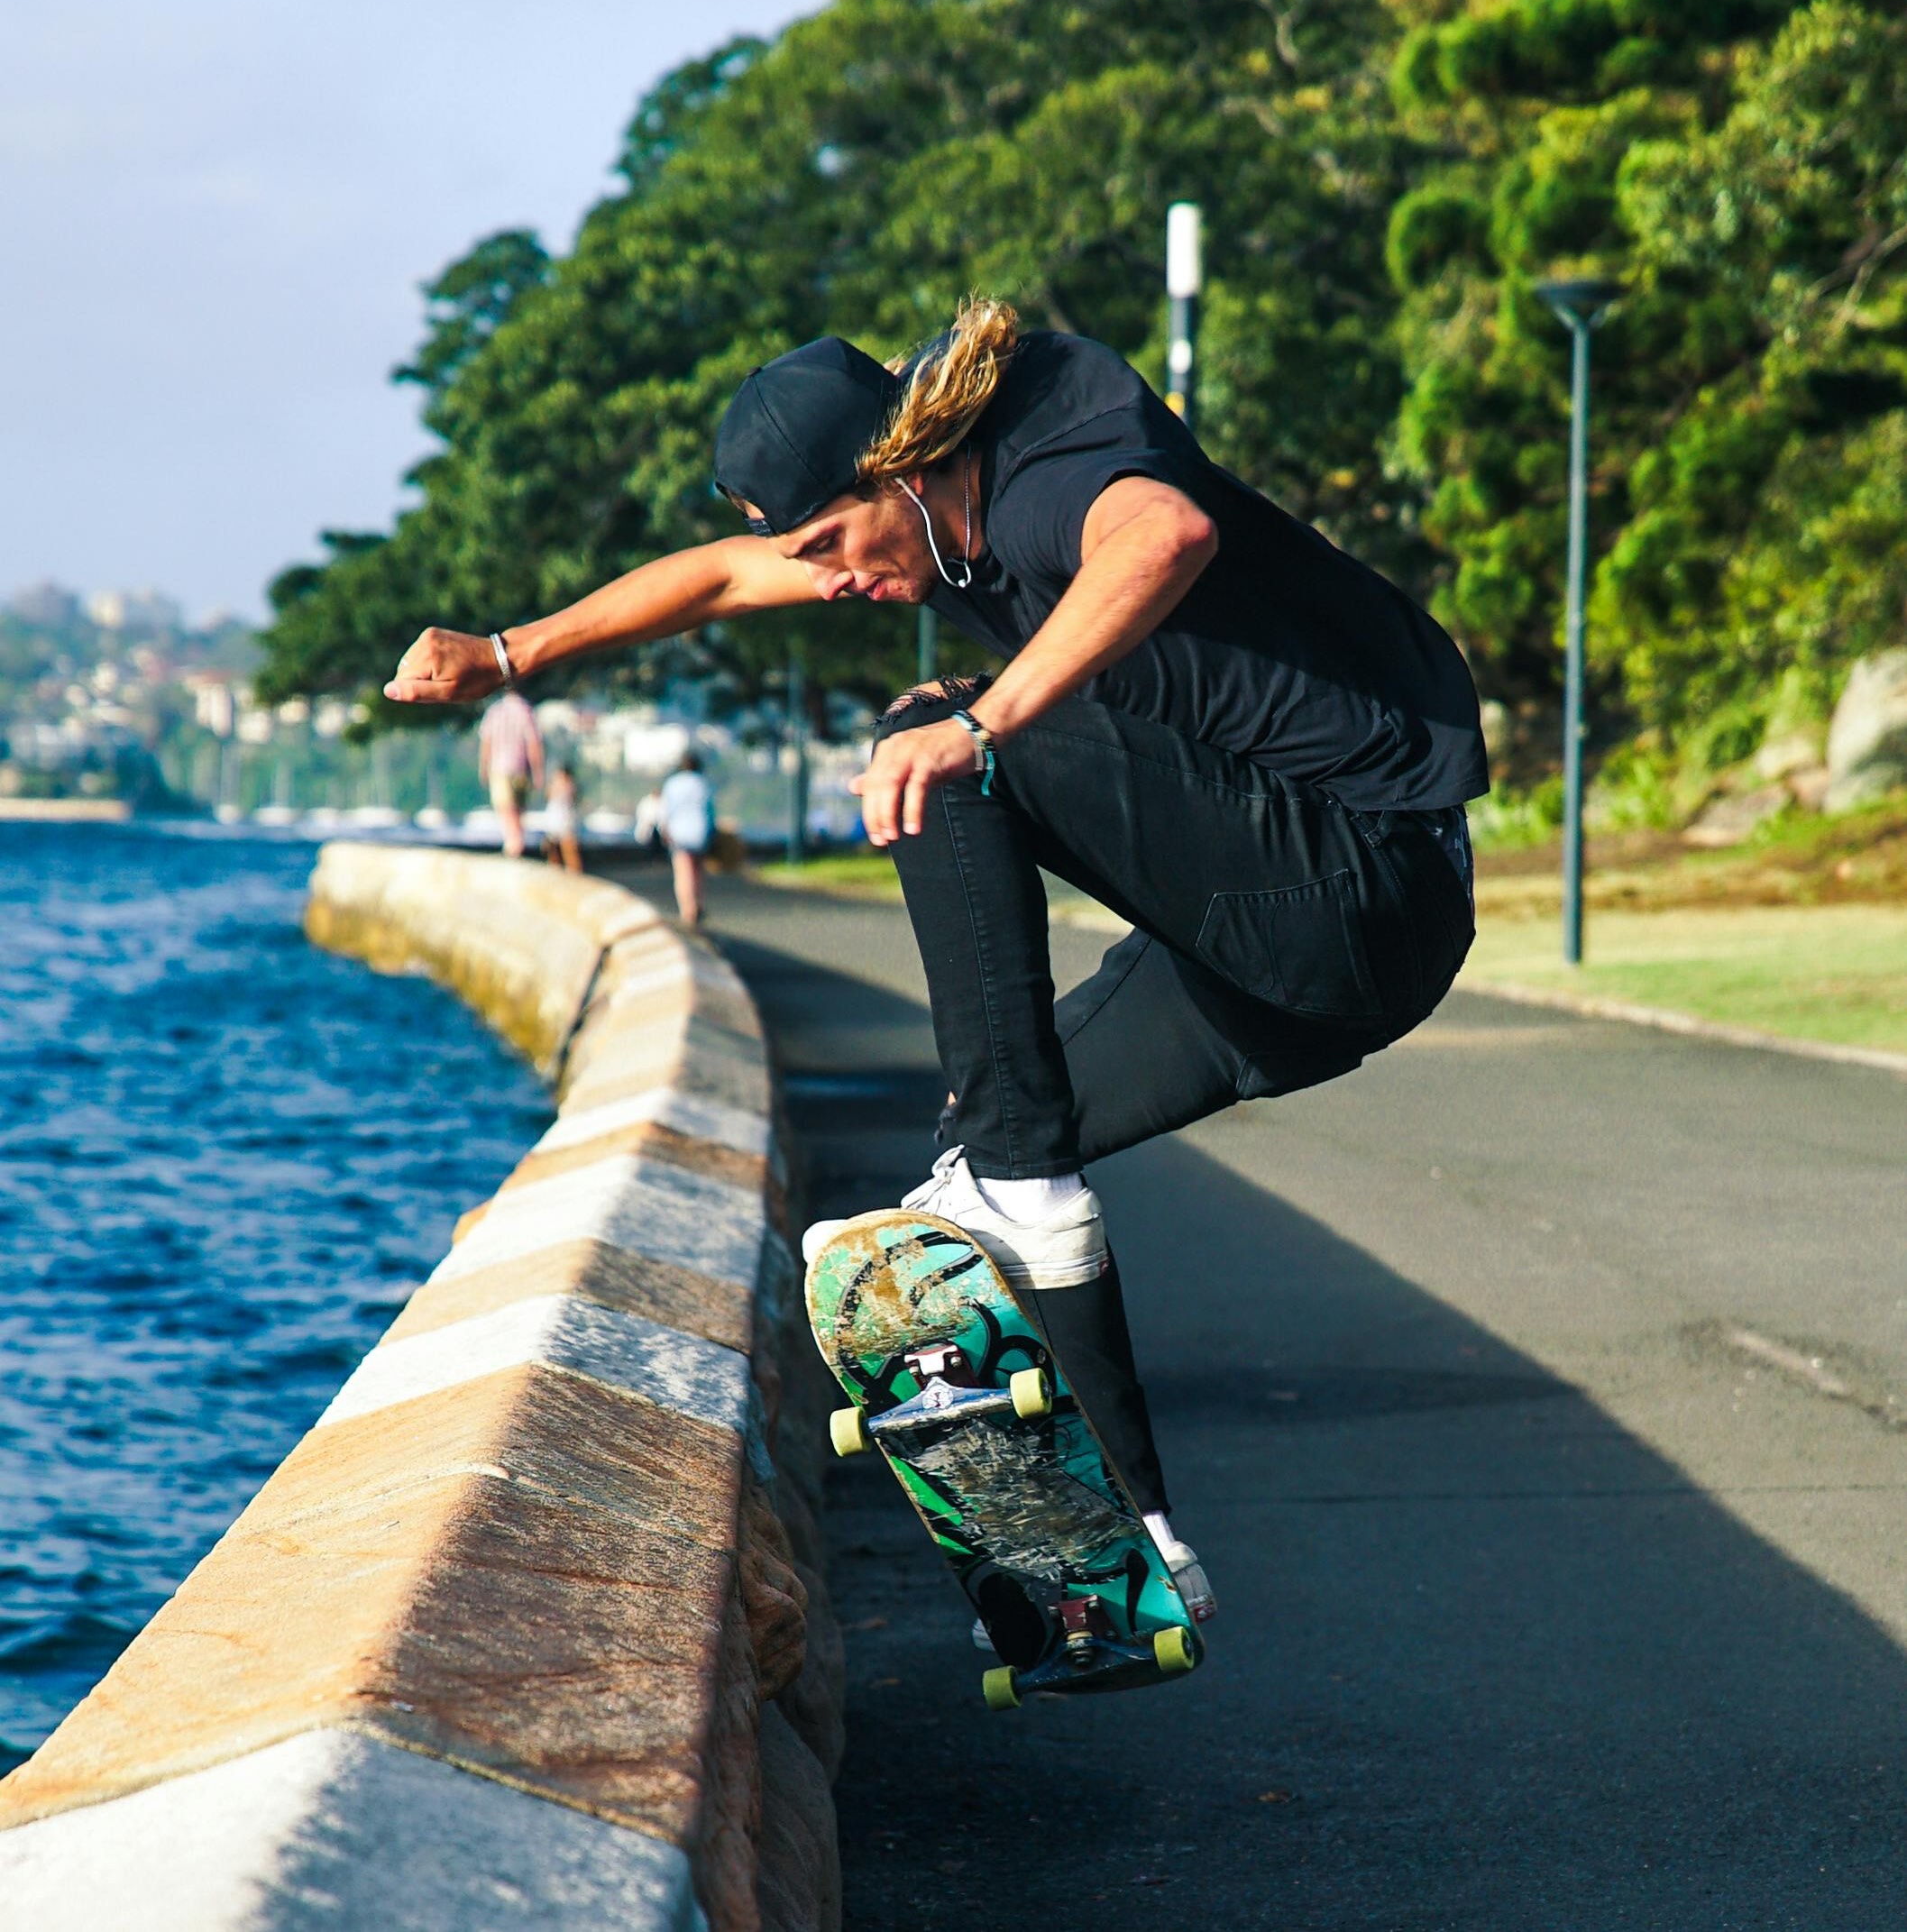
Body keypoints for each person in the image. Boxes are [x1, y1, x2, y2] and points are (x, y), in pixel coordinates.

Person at [384, 298, 1488, 1634]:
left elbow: (1164, 535)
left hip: (1363, 881)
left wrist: (986, 721)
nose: (833, 582)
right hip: (1276, 974)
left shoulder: (1047, 459)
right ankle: (1130, 1550)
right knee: (983, 1160)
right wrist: (509, 653)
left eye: (831, 548)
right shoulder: (902, 513)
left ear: (898, 470)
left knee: (932, 740)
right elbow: (723, 579)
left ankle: (1021, 1185)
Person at [476, 687, 543, 857]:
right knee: (518, 809)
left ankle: (513, 844)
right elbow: (534, 744)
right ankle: (516, 842)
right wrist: (537, 772)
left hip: (499, 766)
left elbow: (487, 742)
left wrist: (483, 767)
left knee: (505, 808)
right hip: (521, 767)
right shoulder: (526, 710)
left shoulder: (494, 711)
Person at [658, 751, 716, 926]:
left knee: (683, 872)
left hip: (679, 833)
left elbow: (665, 811)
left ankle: (688, 909)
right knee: (697, 870)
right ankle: (697, 903)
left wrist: (664, 832)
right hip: (700, 832)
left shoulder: (672, 783)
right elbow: (710, 811)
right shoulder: (703, 783)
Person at [541, 763, 583, 873]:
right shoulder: (553, 788)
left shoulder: (570, 787)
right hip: (553, 825)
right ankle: (554, 871)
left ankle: (573, 873)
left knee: (569, 851)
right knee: (553, 852)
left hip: (566, 824)